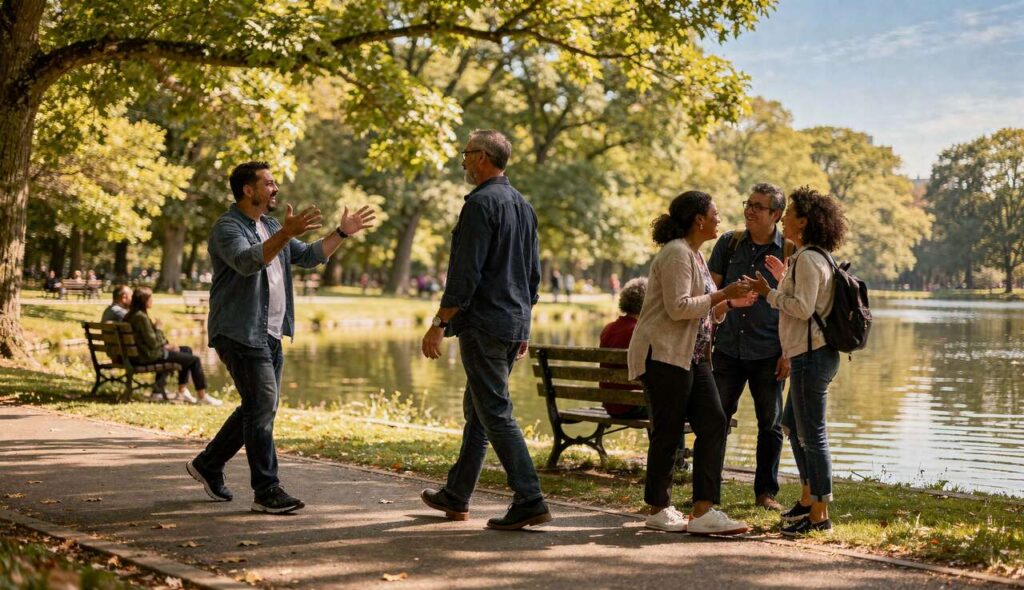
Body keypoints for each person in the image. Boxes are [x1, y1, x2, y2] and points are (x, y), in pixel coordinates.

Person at [185, 161, 375, 515]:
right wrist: (285, 234)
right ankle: (266, 490)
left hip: (270, 333)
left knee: (257, 407)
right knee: (262, 408)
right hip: (240, 332)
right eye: (268, 183)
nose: (275, 189)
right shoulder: (227, 227)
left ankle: (209, 464)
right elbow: (247, 262)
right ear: (248, 189)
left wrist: (342, 232)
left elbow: (310, 256)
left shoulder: (271, 225)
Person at [419, 129, 551, 531]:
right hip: (510, 324)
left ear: (482, 158)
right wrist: (523, 326)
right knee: (479, 410)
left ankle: (530, 497)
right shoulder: (523, 206)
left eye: (466, 154)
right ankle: (457, 494)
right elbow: (532, 276)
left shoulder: (480, 205)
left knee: (494, 412)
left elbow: (465, 274)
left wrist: (439, 323)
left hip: (485, 324)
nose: (462, 161)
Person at [626, 190, 754, 535]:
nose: (719, 219)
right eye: (714, 214)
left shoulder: (694, 255)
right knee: (668, 431)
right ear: (699, 219)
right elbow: (679, 307)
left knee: (714, 422)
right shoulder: (676, 254)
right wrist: (723, 294)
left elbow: (701, 308)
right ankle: (658, 507)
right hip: (664, 354)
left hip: (691, 356)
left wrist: (728, 304)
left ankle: (703, 511)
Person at [744, 186, 847, 537]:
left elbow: (802, 309)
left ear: (803, 221)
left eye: (789, 213)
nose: (783, 217)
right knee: (791, 425)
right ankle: (807, 499)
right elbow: (808, 301)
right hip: (813, 355)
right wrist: (779, 280)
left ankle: (819, 514)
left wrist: (767, 293)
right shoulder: (815, 256)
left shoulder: (806, 258)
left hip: (811, 358)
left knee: (812, 435)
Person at [706, 183, 793, 512]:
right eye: (749, 204)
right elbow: (709, 292)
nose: (750, 210)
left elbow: (793, 307)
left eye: (759, 206)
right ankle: (707, 493)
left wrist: (787, 352)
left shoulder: (789, 250)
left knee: (770, 425)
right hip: (728, 348)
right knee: (716, 420)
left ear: (776, 215)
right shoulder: (729, 243)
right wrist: (726, 301)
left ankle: (765, 493)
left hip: (769, 351)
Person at [124, 287, 221, 406]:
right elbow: (153, 343)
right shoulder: (141, 317)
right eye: (150, 298)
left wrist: (166, 345)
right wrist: (158, 330)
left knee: (187, 350)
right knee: (194, 360)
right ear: (144, 300)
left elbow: (147, 340)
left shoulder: (132, 315)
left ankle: (181, 391)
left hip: (142, 354)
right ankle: (202, 396)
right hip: (149, 356)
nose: (152, 301)